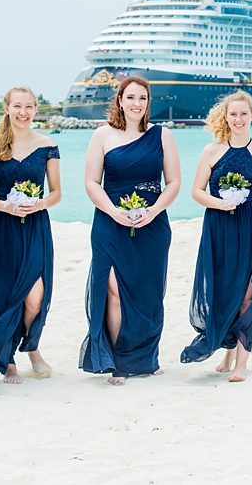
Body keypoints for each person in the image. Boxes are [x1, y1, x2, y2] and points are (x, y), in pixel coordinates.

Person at [80, 76, 181, 386]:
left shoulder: (162, 136)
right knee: (112, 289)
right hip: (110, 224)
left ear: (148, 103)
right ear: (120, 101)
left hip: (152, 225)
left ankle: (147, 359)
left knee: (148, 294)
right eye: (131, 97)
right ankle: (119, 360)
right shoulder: (101, 135)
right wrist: (113, 211)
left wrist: (153, 211)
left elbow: (173, 183)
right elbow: (91, 183)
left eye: (143, 98)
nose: (137, 103)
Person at [181, 90, 252, 382]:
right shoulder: (211, 150)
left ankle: (241, 364)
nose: (238, 119)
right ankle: (228, 348)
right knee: (225, 292)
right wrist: (219, 203)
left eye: (243, 114)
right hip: (219, 226)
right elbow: (197, 191)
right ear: (226, 117)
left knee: (248, 292)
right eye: (233, 114)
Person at [0, 86, 61, 384]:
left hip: (35, 226)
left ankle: (32, 347)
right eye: (17, 106)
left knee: (35, 296)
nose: (23, 112)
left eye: (29, 107)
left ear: (36, 109)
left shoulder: (47, 145)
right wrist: (5, 207)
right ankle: (7, 360)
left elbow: (57, 194)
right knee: (0, 294)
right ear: (7, 108)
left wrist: (39, 204)